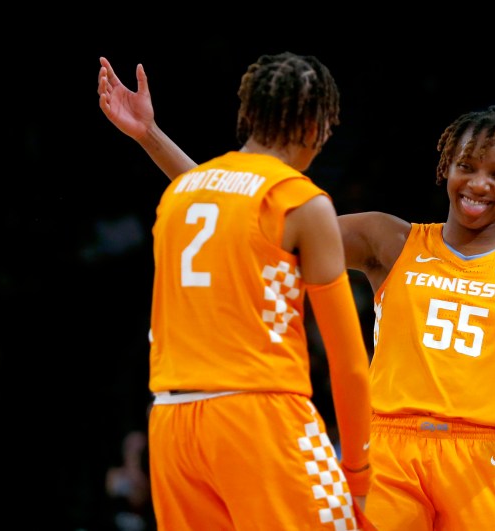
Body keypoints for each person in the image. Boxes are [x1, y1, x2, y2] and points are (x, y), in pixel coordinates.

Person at [97, 56, 495, 530]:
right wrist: (150, 135)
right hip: (390, 448)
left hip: (482, 457)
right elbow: (243, 205)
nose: (478, 183)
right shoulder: (389, 239)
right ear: (446, 166)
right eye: (466, 166)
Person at [98, 52, 373, 530]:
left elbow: (223, 193)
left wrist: (150, 135)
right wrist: (359, 473)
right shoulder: (302, 202)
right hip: (259, 418)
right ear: (316, 125)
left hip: (172, 425)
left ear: (249, 113)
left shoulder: (180, 196)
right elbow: (349, 363)